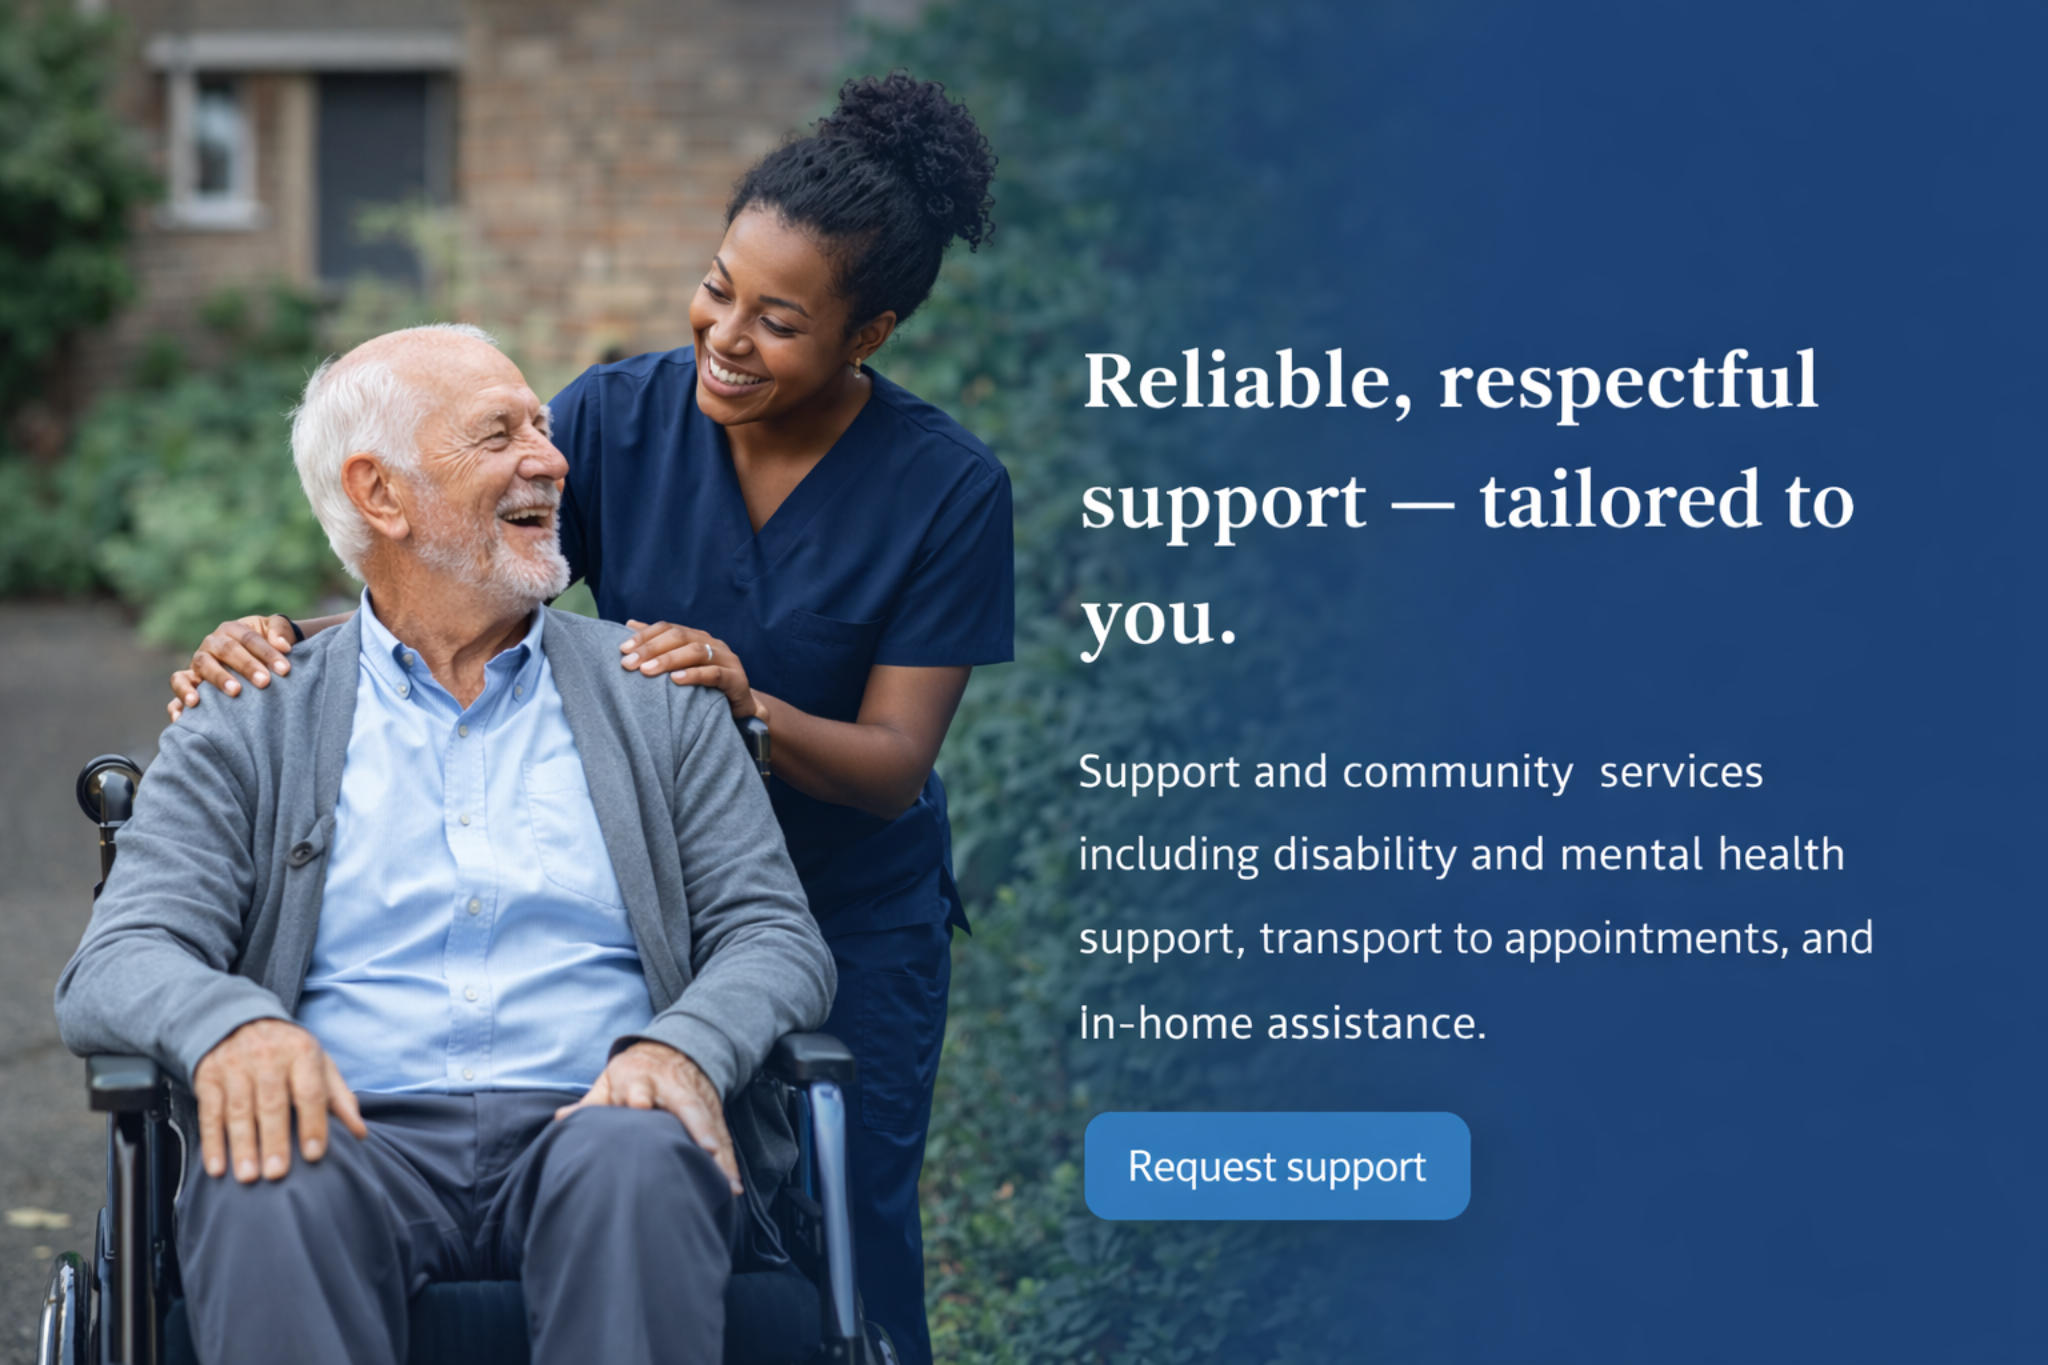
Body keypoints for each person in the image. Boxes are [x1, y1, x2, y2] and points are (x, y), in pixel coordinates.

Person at [168, 73, 1011, 1365]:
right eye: (719, 287)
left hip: (842, 888)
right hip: (635, 851)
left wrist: (744, 705)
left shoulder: (944, 485)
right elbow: (470, 576)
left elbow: (895, 767)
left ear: (870, 333)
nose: (726, 334)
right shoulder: (620, 417)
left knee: (852, 1229)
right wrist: (287, 645)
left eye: (779, 320)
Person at [63, 324, 836, 1365]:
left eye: (543, 428)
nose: (551, 460)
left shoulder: (658, 696)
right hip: (346, 1129)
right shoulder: (250, 714)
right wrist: (234, 1029)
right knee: (267, 1167)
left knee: (641, 1162)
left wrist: (682, 1048)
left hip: (605, 1119)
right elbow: (117, 959)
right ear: (379, 495)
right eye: (498, 434)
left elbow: (775, 938)